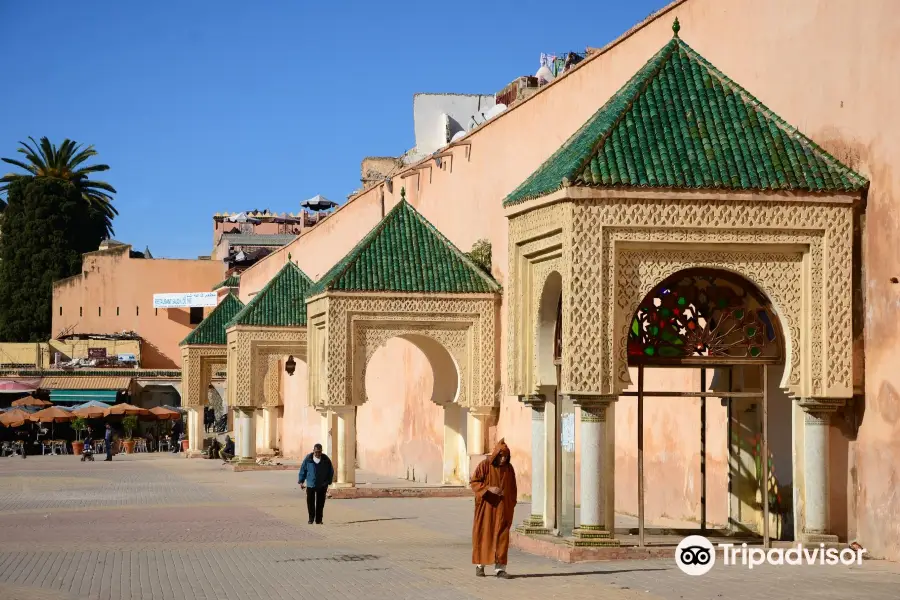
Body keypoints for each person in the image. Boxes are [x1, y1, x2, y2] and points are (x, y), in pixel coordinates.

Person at [470, 438, 517, 579]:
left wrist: (511, 503)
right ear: (496, 454)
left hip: (503, 508)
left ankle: (500, 568)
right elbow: (474, 482)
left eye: (506, 456)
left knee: (502, 537)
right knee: (484, 534)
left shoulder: (509, 469)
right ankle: (480, 565)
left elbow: (513, 488)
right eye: (501, 456)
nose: (503, 459)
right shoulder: (484, 465)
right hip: (487, 508)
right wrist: (489, 489)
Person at [297, 443, 334, 525]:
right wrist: (301, 481)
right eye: (316, 452)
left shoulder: (326, 459)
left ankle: (319, 520)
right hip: (311, 484)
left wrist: (328, 481)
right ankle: (311, 519)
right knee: (310, 503)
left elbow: (330, 471)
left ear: (321, 451)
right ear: (313, 451)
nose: (318, 454)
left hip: (322, 485)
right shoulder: (308, 459)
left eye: (319, 452)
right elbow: (303, 469)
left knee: (320, 503)